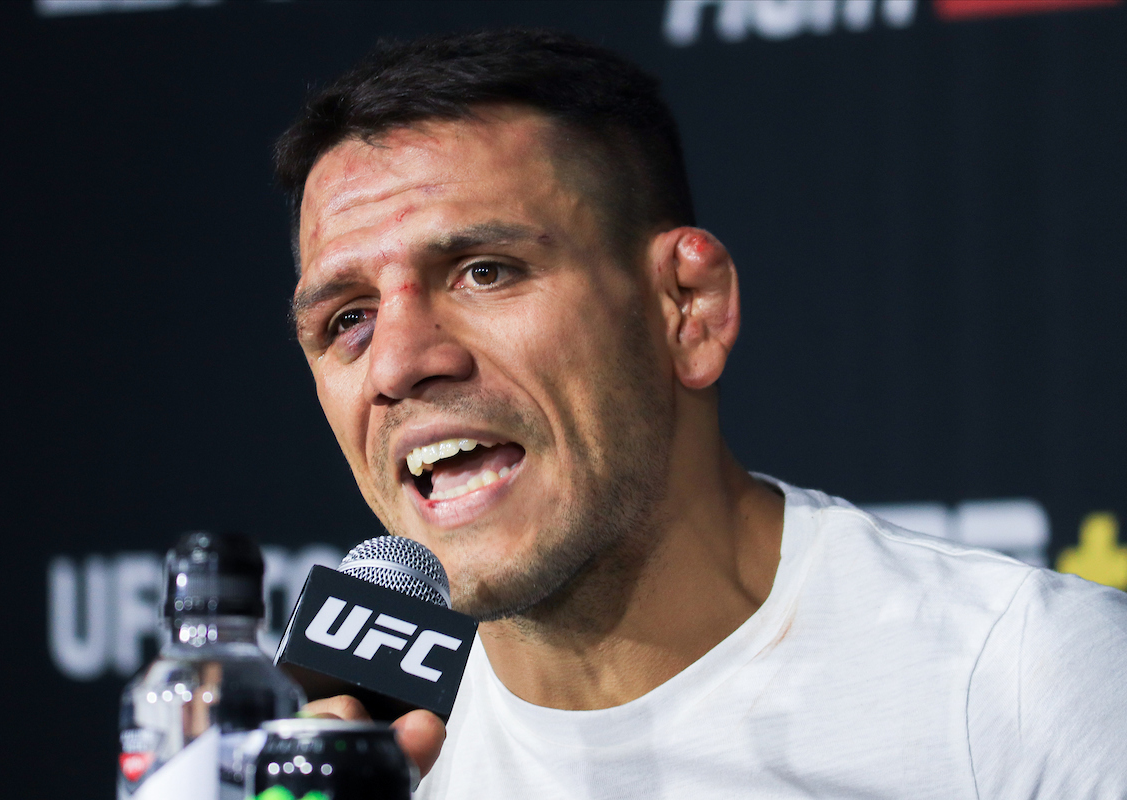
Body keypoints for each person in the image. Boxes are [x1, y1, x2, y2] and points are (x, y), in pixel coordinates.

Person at [274, 29, 1127, 799]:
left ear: (688, 306)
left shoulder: (1028, 691)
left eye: (484, 272)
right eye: (348, 320)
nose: (397, 363)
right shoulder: (309, 771)